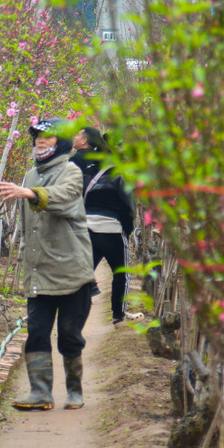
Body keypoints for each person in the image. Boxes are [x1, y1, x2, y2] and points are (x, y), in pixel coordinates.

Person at [0, 117, 95, 410]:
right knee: (37, 332)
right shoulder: (30, 175)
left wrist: (31, 194)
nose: (41, 140)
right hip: (39, 271)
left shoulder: (71, 172)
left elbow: (64, 199)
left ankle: (75, 391)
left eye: (48, 137)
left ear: (61, 142)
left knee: (69, 335)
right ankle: (40, 392)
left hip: (71, 270)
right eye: (38, 136)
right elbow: (28, 227)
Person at [72, 127, 143, 326]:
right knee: (121, 273)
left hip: (87, 227)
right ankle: (118, 315)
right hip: (111, 229)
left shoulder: (89, 168)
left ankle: (74, 315)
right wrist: (126, 231)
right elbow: (127, 206)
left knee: (84, 274)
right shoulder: (121, 174)